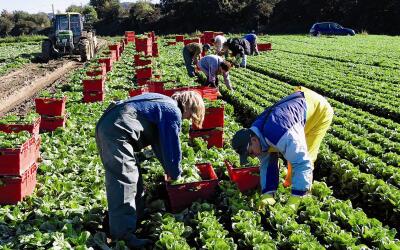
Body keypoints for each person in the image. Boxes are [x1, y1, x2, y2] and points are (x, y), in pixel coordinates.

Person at [95, 91, 205, 248]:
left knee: (134, 178)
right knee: (124, 182)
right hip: (116, 131)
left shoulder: (164, 103)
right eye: (189, 116)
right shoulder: (172, 111)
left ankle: (133, 219)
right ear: (189, 108)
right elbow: (171, 147)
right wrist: (175, 174)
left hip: (110, 124)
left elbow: (160, 145)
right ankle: (123, 237)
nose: (186, 119)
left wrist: (170, 169)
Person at [231, 86, 333, 211]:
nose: (252, 156)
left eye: (250, 153)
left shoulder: (281, 133)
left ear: (253, 141)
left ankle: (302, 192)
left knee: (305, 155)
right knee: (290, 152)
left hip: (319, 110)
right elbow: (267, 164)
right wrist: (268, 193)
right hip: (295, 110)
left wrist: (296, 197)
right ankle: (290, 184)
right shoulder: (256, 135)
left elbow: (302, 161)